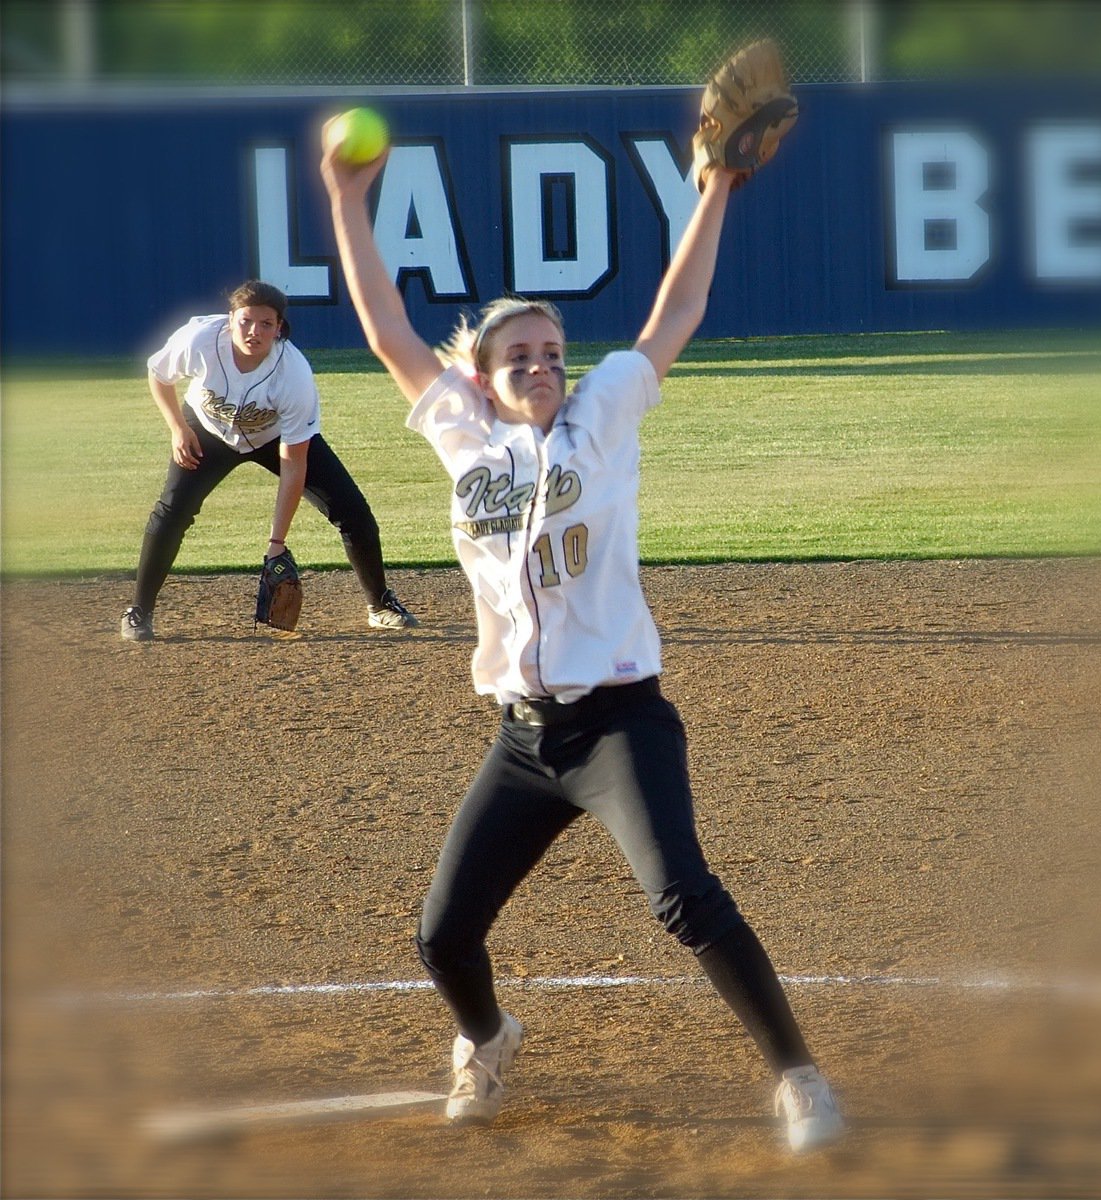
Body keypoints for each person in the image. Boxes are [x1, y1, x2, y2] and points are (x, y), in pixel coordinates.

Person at [318, 126, 845, 1153]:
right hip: (521, 741)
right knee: (441, 936)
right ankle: (489, 1038)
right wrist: (345, 197)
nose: (542, 363)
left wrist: (718, 187)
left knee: (683, 899)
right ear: (478, 375)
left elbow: (675, 310)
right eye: (518, 354)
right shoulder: (460, 433)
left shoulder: (602, 412)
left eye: (552, 351)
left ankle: (799, 1076)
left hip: (617, 726)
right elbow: (385, 328)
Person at [120, 280, 417, 640]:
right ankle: (139, 610)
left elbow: (293, 462)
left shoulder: (293, 374)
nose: (253, 331)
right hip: (206, 430)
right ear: (230, 320)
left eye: (265, 324)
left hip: (272, 436)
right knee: (172, 510)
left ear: (279, 328)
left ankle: (380, 605)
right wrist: (178, 428)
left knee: (352, 511)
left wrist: (277, 542)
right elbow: (159, 374)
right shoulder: (198, 339)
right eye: (245, 321)